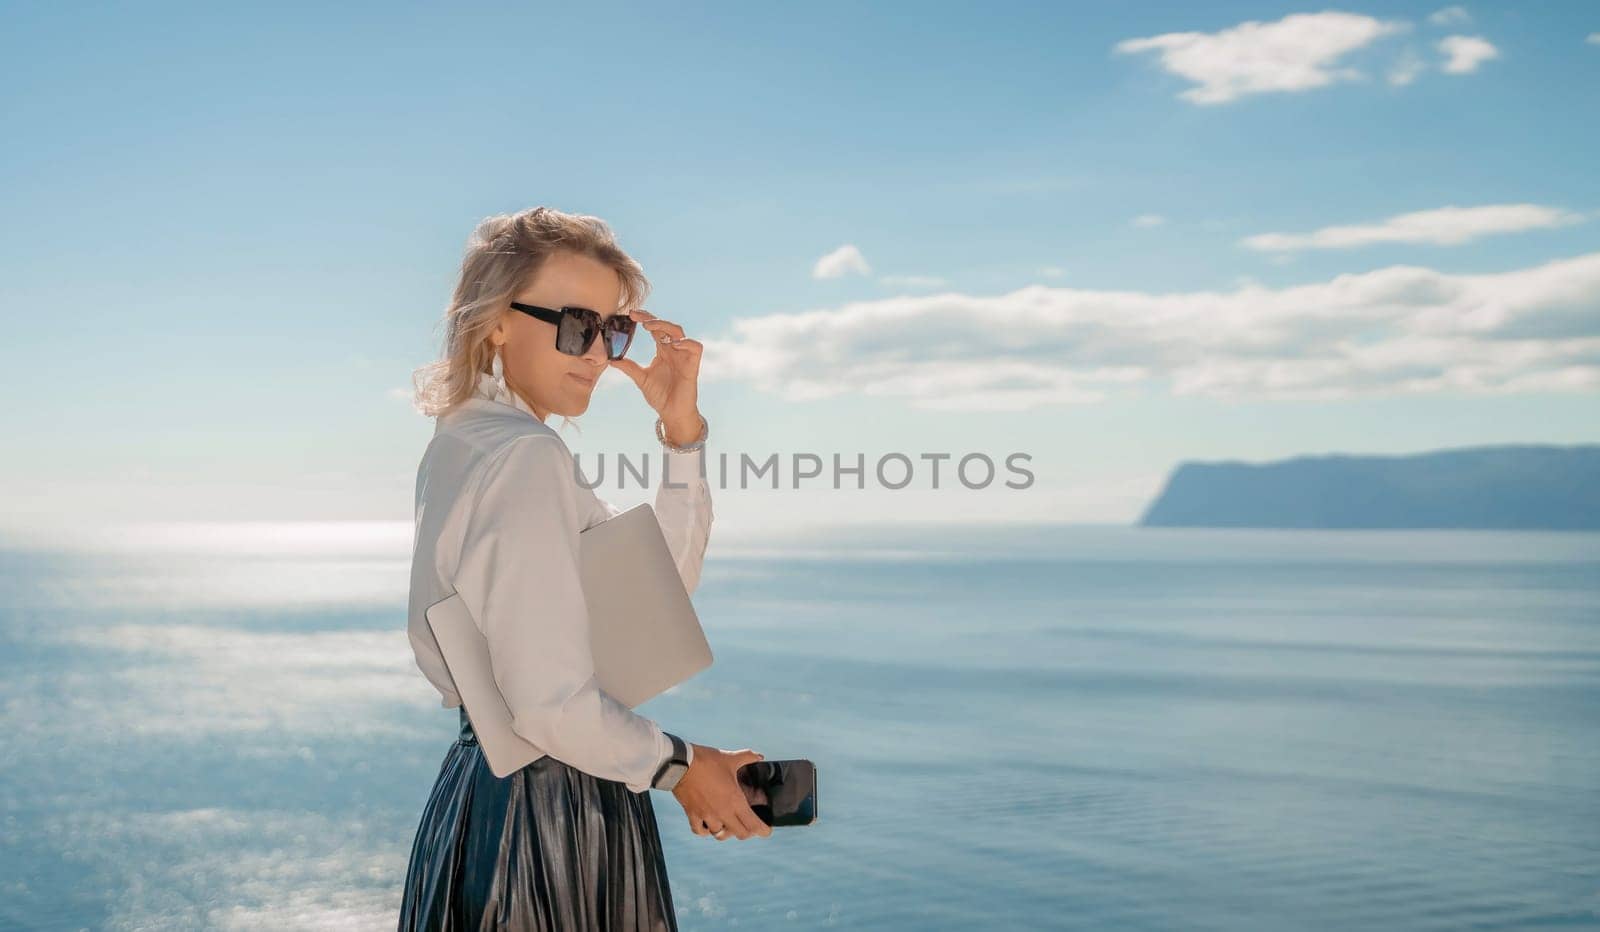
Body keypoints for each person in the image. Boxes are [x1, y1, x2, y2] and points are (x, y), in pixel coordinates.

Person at [398, 206, 771, 931]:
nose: (599, 354)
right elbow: (548, 703)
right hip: (551, 813)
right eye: (576, 323)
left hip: (483, 796)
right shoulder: (524, 456)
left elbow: (650, 603)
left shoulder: (465, 442)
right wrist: (682, 766)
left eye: (612, 329)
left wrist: (681, 430)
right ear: (496, 320)